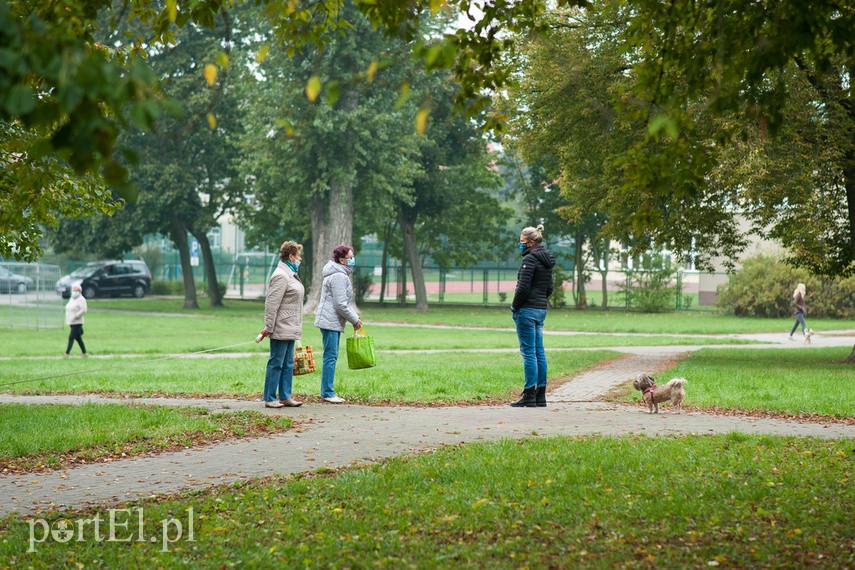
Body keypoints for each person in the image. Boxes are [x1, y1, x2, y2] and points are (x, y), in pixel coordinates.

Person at [509, 224, 555, 408]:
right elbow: (549, 287)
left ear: (530, 242)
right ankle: (540, 395)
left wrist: (515, 306)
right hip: (540, 309)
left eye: (521, 242)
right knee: (539, 351)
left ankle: (529, 394)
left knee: (528, 352)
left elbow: (523, 287)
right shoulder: (546, 260)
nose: (519, 245)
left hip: (526, 309)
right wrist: (540, 301)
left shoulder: (529, 260)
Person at [314, 245, 363, 403]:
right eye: (350, 256)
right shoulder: (339, 276)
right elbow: (340, 304)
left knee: (331, 356)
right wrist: (355, 320)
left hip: (331, 320)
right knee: (330, 356)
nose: (353, 259)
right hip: (330, 321)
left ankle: (327, 391)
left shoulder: (338, 273)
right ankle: (327, 392)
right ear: (342, 260)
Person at [260, 241, 305, 408]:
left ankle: (285, 396)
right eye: (298, 256)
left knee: (288, 364)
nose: (300, 259)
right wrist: (268, 328)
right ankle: (270, 397)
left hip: (291, 327)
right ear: (291, 256)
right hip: (280, 326)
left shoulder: (291, 274)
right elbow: (271, 304)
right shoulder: (280, 275)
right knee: (276, 362)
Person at [64, 283, 88, 357]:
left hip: (77, 321)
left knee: (71, 337)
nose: (75, 292)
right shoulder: (71, 298)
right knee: (78, 338)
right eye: (73, 290)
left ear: (80, 291)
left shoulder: (82, 299)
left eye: (76, 290)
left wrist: (76, 316)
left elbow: (84, 309)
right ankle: (84, 353)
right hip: (71, 321)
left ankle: (67, 353)